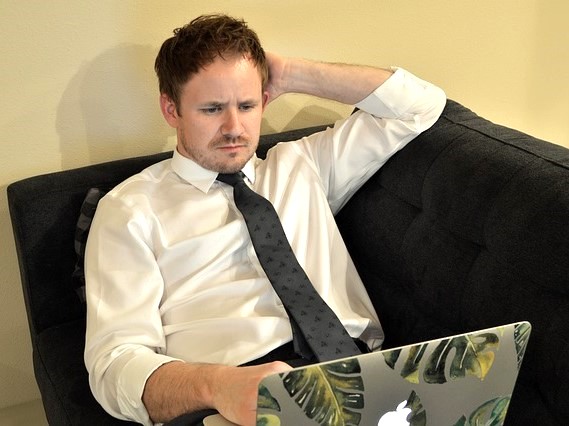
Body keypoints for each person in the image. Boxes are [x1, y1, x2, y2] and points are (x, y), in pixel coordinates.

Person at [84, 13, 446, 426]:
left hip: (363, 378)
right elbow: (114, 365)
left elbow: (419, 107)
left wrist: (290, 73)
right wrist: (217, 386)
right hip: (232, 398)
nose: (233, 128)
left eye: (247, 105)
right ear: (171, 109)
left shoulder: (304, 164)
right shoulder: (130, 210)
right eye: (212, 109)